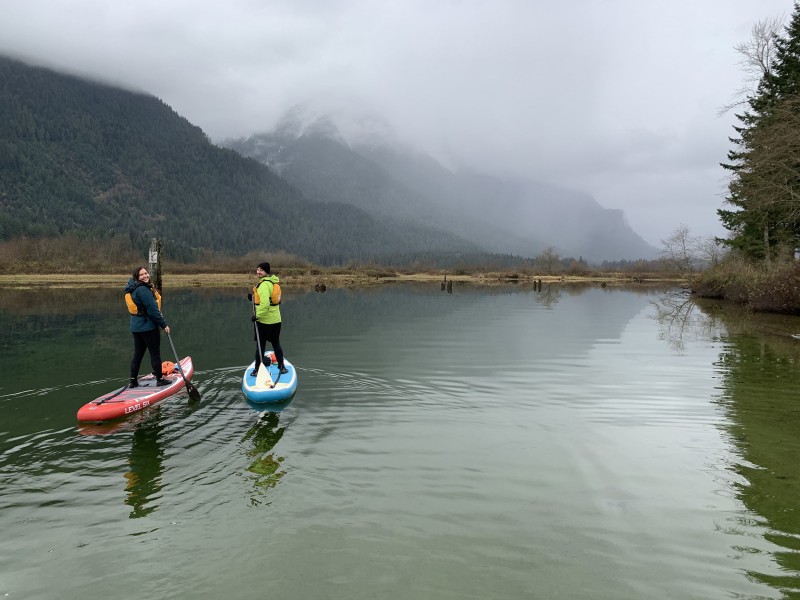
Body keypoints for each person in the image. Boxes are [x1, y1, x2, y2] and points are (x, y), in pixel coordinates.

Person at [125, 266, 171, 387]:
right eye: (141, 275)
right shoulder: (143, 290)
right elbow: (153, 310)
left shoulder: (132, 289)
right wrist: (163, 324)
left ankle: (133, 381)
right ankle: (160, 380)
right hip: (148, 327)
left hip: (136, 328)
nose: (145, 276)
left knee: (138, 354)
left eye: (146, 273)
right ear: (137, 277)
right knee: (155, 353)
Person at [249, 262, 287, 376]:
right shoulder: (274, 283)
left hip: (264, 321)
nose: (258, 272)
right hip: (276, 320)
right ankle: (282, 367)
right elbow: (271, 300)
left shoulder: (263, 285)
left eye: (261, 270)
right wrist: (252, 297)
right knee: (276, 343)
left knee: (260, 346)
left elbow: (265, 304)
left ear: (266, 272)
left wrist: (257, 316)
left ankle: (257, 370)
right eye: (258, 269)